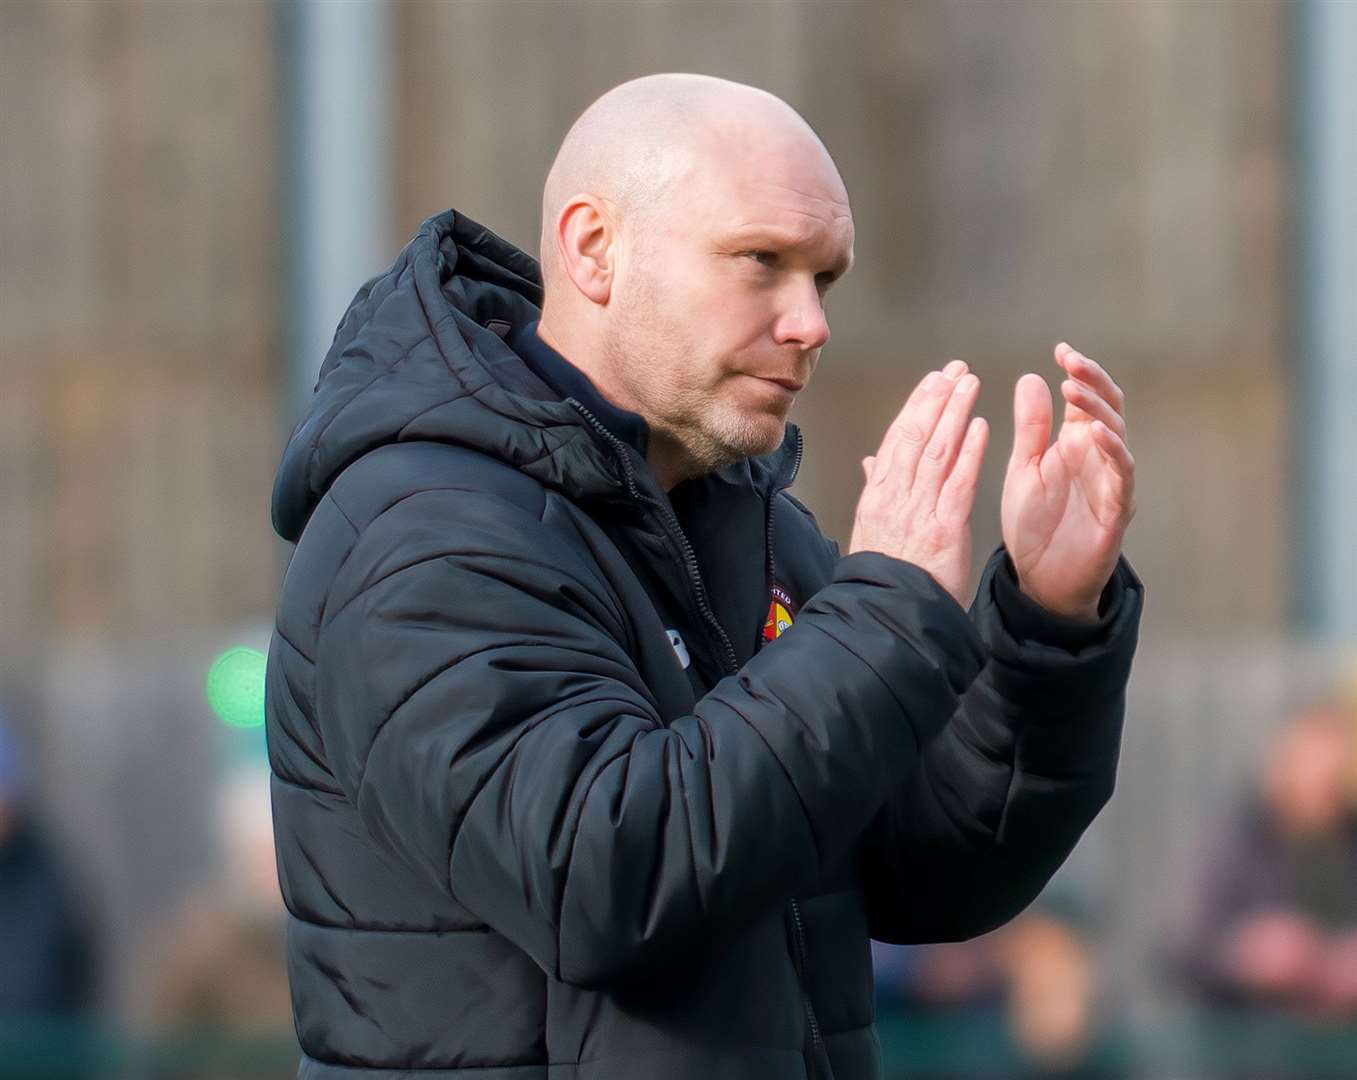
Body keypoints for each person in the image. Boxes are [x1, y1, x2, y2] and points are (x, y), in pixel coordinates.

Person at [266, 73, 1142, 1080]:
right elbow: (601, 878)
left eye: (825, 278)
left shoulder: (744, 519)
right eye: (760, 261)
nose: (809, 322)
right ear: (593, 249)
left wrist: (1046, 623)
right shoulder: (423, 531)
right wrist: (885, 615)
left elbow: (929, 874)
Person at [1177, 702, 1357, 1019]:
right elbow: (1183, 949)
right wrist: (1246, 955)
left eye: (1330, 781)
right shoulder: (1239, 842)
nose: (1317, 796)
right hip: (1257, 1053)